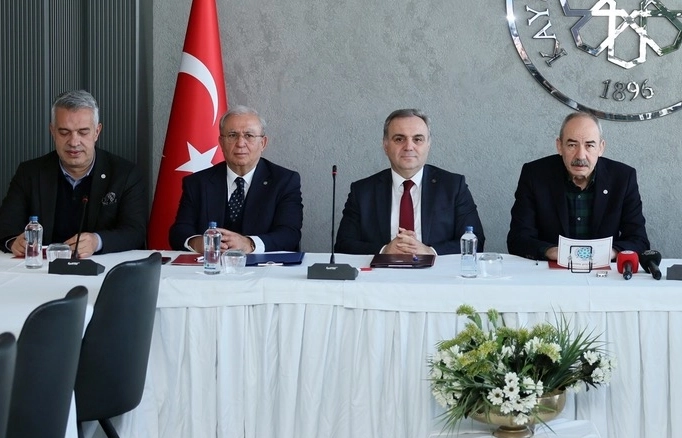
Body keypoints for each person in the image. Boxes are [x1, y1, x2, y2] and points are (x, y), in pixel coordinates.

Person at [0, 89, 147, 257]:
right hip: (43, 267)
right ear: (52, 132)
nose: (74, 142)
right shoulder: (30, 173)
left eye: (83, 132)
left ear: (97, 132)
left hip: (102, 267)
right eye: (64, 132)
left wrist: (96, 241)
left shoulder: (125, 174)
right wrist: (13, 242)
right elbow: (6, 225)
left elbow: (135, 231)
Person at [335, 109, 483, 255]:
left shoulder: (453, 186)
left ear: (428, 145)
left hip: (436, 270)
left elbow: (476, 241)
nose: (408, 147)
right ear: (386, 146)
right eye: (399, 139)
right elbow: (343, 245)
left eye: (417, 139)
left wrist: (430, 251)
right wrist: (384, 251)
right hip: (381, 270)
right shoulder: (362, 192)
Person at [507, 111, 649, 261]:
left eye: (589, 145)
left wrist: (607, 253)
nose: (580, 155)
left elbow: (639, 240)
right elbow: (518, 238)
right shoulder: (534, 175)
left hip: (604, 270)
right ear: (559, 146)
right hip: (551, 269)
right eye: (572, 145)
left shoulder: (623, 178)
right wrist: (553, 252)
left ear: (601, 148)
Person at [169, 106, 303, 253]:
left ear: (263, 143)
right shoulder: (197, 183)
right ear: (221, 142)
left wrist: (249, 244)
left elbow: (290, 234)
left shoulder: (285, 181)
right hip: (211, 265)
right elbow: (180, 231)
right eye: (232, 135)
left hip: (264, 265)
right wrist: (197, 243)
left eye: (249, 135)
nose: (240, 143)